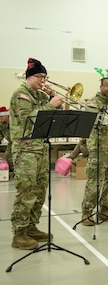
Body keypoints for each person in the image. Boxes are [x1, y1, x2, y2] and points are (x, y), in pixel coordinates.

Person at [9, 58, 64, 250]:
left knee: (40, 191)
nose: (43, 81)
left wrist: (55, 102)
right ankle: (19, 233)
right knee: (27, 191)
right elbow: (28, 119)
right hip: (25, 150)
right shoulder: (20, 95)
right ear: (29, 77)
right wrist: (50, 105)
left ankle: (31, 226)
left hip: (41, 148)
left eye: (45, 77)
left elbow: (52, 119)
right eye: (40, 77)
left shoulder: (40, 96)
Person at [80, 75, 108, 226]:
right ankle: (86, 212)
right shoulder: (93, 102)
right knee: (95, 181)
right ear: (101, 87)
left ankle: (104, 209)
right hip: (100, 147)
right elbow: (91, 121)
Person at [0, 106, 14, 176]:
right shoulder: (2, 124)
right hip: (11, 142)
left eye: (2, 117)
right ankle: (12, 170)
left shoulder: (13, 121)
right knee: (8, 155)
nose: (1, 119)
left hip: (19, 141)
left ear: (6, 115)